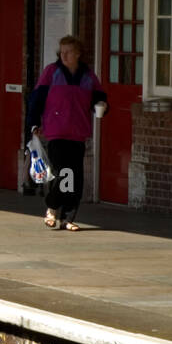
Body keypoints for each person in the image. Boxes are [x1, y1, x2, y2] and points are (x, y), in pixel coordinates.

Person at [26, 34, 108, 231]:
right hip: (56, 130)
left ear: (78, 53)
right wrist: (33, 124)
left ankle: (68, 217)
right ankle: (53, 206)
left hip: (78, 132)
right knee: (65, 172)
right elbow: (36, 99)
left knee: (76, 176)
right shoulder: (51, 72)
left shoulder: (88, 76)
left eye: (68, 52)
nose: (64, 55)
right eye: (61, 52)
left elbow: (100, 96)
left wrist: (102, 105)